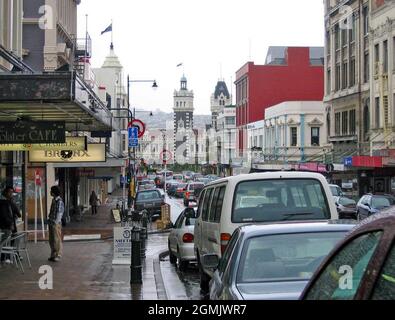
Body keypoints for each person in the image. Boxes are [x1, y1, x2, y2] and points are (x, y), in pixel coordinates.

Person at [0, 186, 21, 263]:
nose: (11, 194)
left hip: (12, 225)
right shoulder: (3, 202)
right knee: (5, 241)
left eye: (12, 192)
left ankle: (14, 255)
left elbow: (18, 214)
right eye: (10, 192)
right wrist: (10, 224)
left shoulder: (10, 202)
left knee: (14, 240)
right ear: (5, 193)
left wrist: (12, 203)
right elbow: (4, 216)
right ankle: (4, 258)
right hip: (6, 226)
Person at [48, 186, 64, 262]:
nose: (50, 192)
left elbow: (59, 213)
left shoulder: (59, 201)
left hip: (55, 223)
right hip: (51, 222)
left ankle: (58, 254)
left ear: (54, 192)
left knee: (56, 239)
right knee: (51, 239)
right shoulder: (54, 200)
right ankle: (53, 254)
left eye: (51, 191)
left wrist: (55, 222)